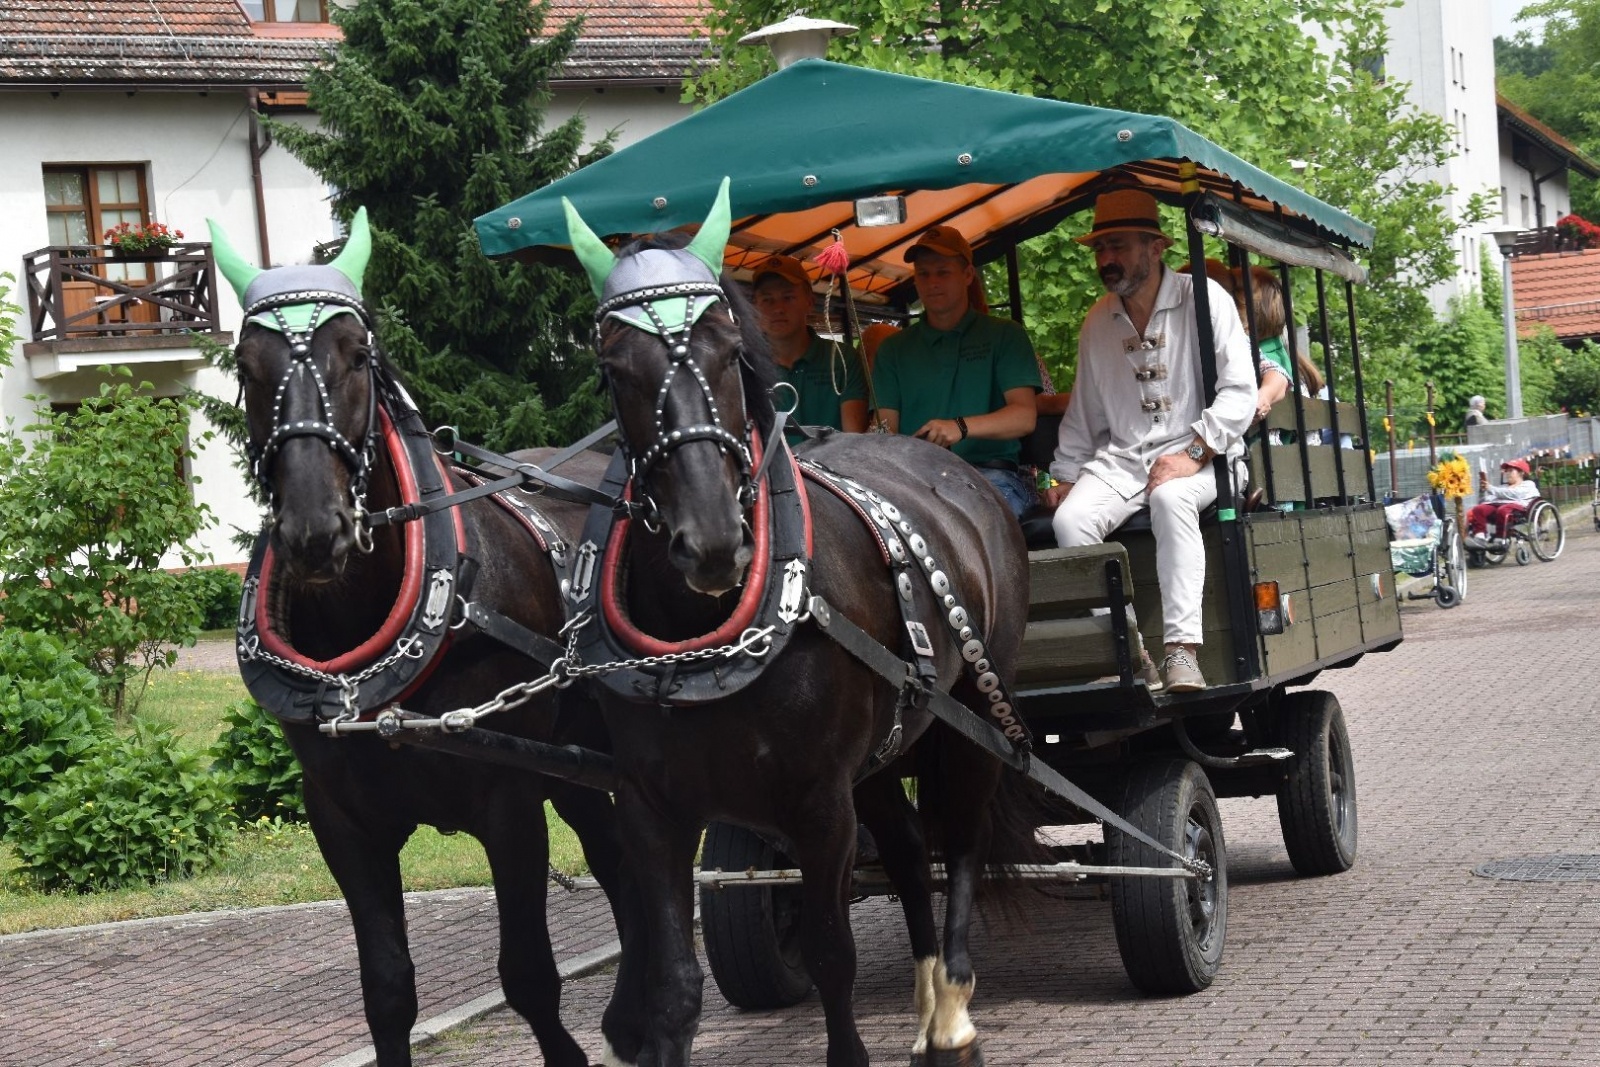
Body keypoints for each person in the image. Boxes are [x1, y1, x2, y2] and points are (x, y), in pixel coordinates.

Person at [1042, 190, 1256, 692]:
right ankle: (1133, 652)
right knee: (1070, 521)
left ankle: (1182, 651)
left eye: (1116, 246)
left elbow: (1242, 392)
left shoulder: (1203, 297)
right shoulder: (1098, 320)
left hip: (1209, 456)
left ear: (1155, 247)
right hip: (1125, 462)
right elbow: (1085, 412)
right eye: (1099, 249)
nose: (1106, 259)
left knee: (1171, 497)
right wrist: (1067, 474)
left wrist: (1195, 452)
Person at [871, 225, 1040, 517]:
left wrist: (958, 428)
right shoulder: (893, 349)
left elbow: (1024, 417)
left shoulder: (1005, 335)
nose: (932, 282)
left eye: (942, 272)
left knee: (964, 523)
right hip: (917, 480)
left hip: (992, 478)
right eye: (923, 274)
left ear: (967, 275)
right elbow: (886, 428)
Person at [751, 255, 868, 434]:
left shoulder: (842, 358)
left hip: (833, 461)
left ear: (810, 303)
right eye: (767, 300)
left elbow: (854, 439)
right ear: (754, 307)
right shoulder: (745, 364)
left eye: (788, 297)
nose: (778, 308)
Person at [1465, 458, 1538, 548]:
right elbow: (1485, 500)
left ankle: (1500, 539)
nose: (1508, 473)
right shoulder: (1503, 487)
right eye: (1507, 471)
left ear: (1521, 473)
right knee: (1479, 509)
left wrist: (1491, 488)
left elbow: (1514, 494)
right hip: (1499, 506)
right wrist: (1482, 490)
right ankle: (1480, 538)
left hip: (1519, 508)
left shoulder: (1528, 484)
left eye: (1511, 471)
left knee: (1503, 510)